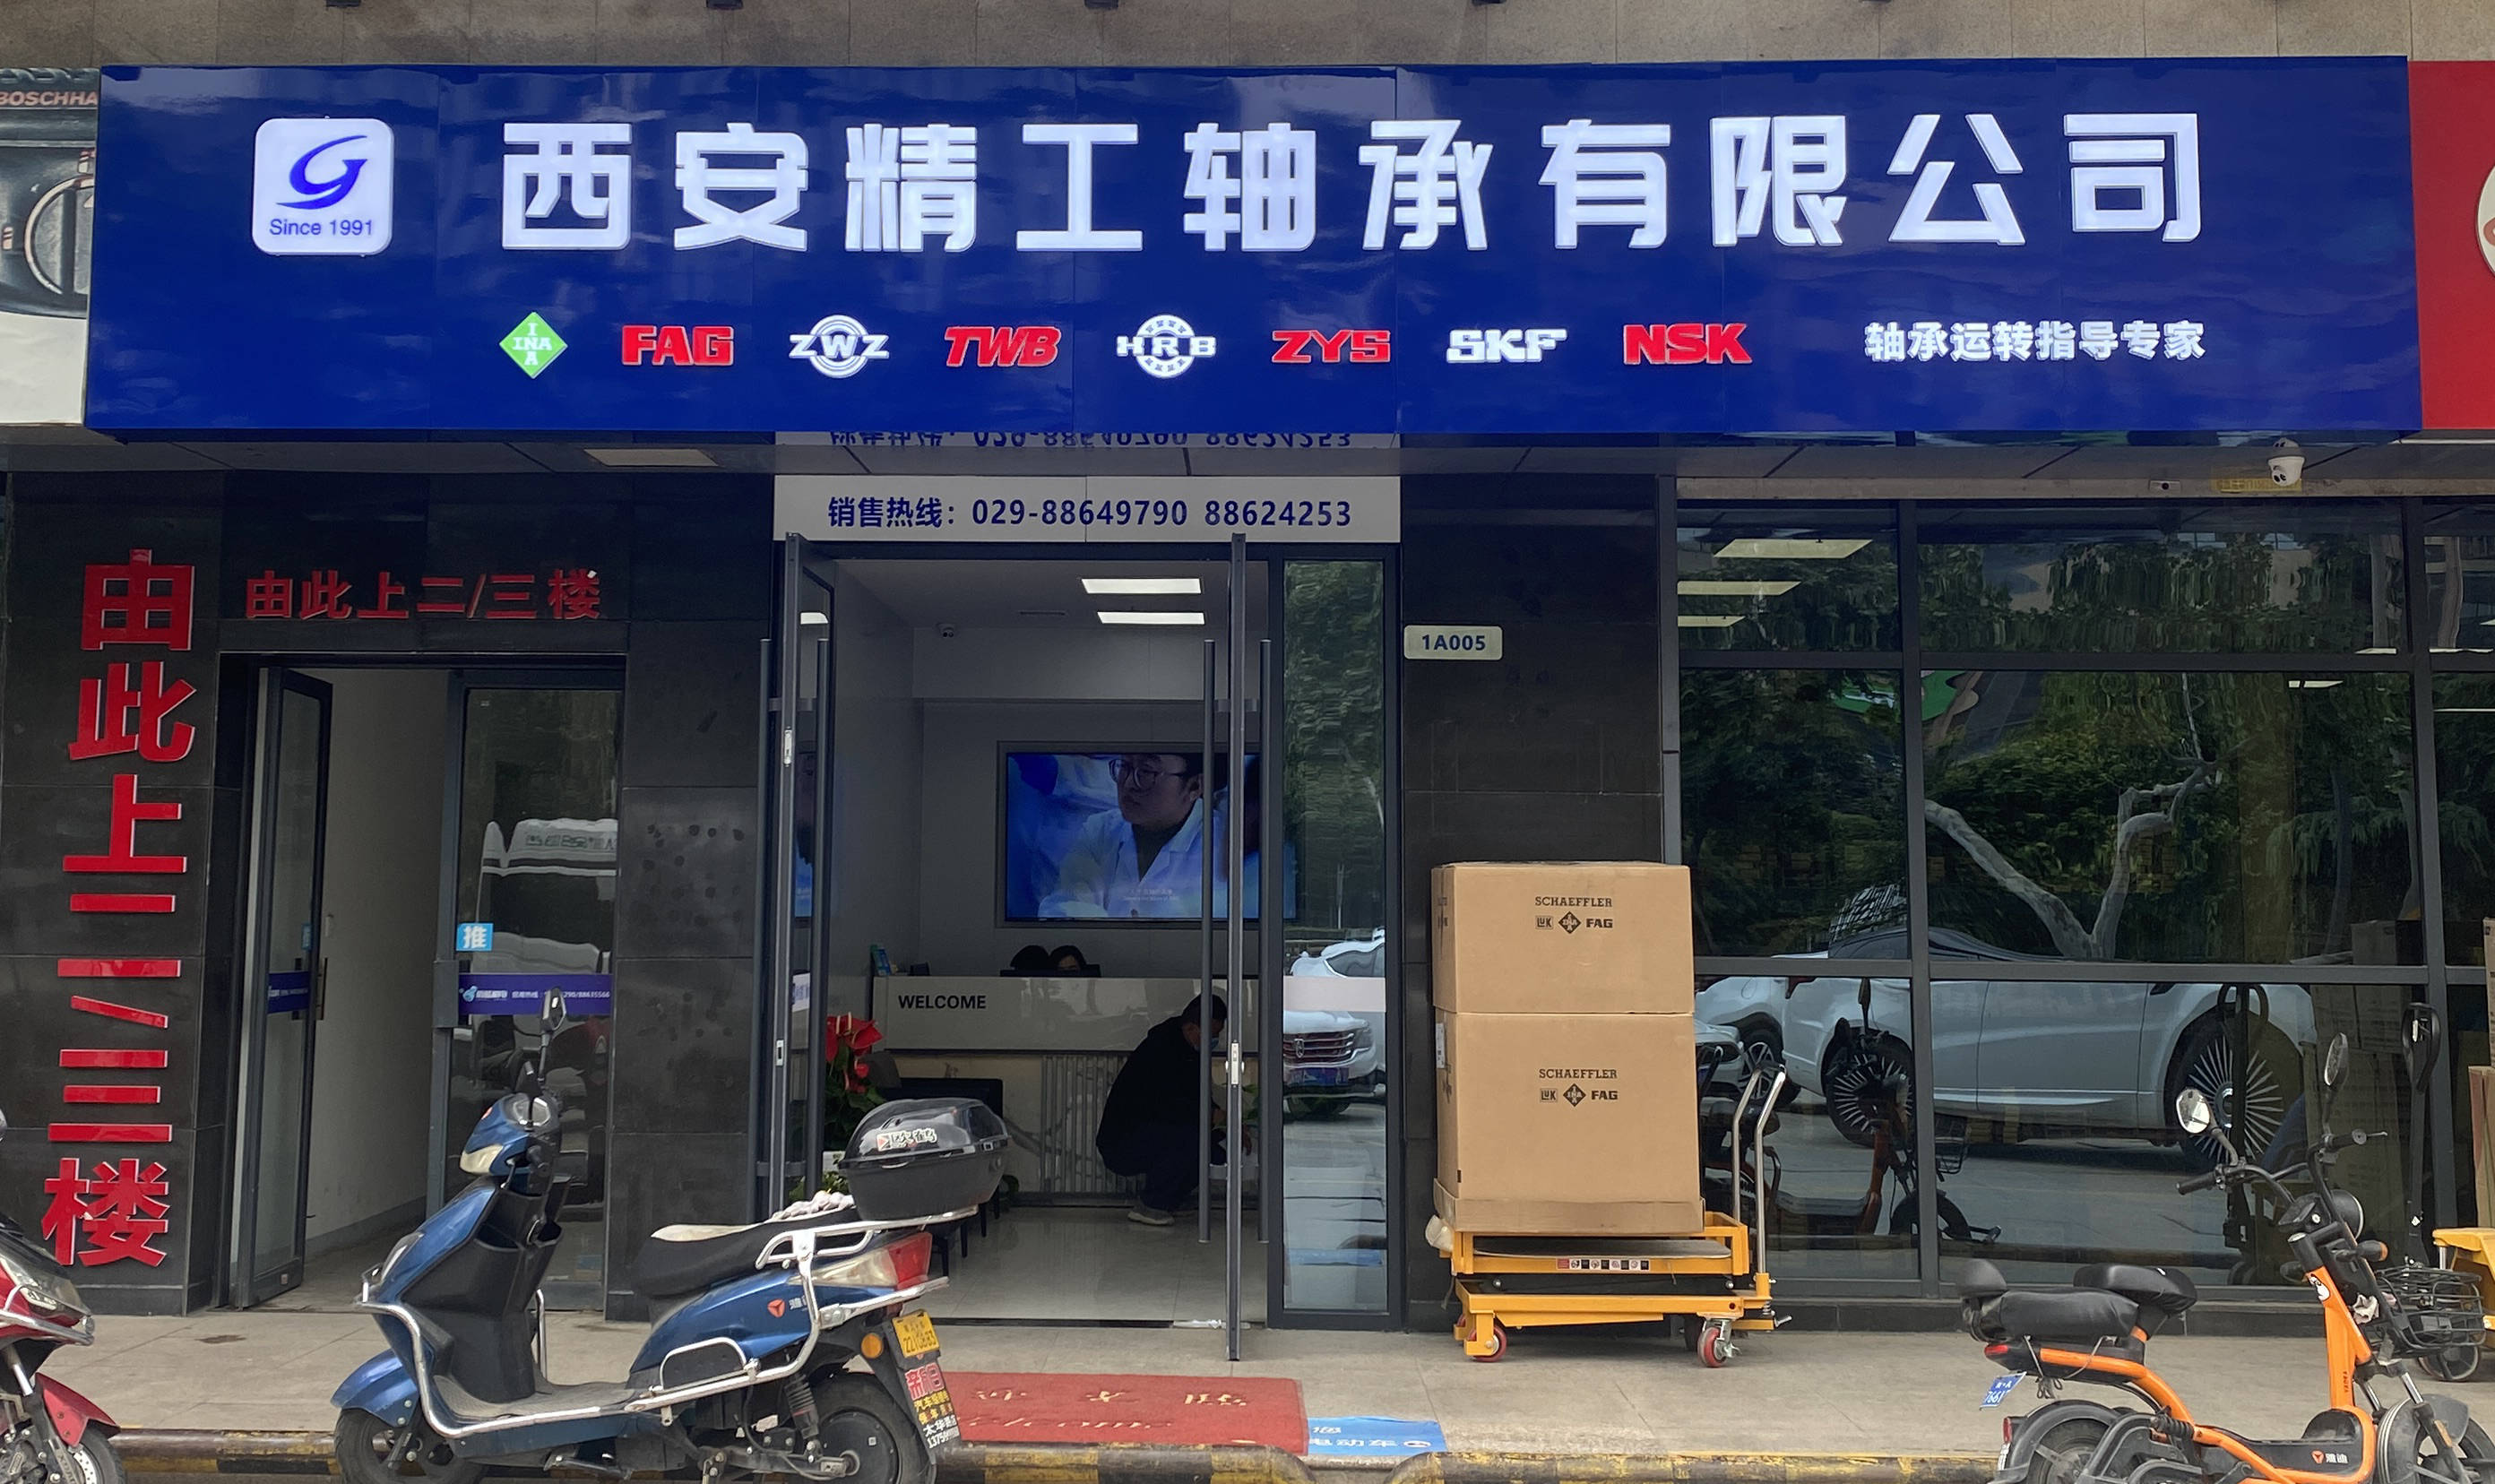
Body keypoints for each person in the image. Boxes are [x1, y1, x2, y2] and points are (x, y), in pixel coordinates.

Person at [1096, 994, 1225, 1226]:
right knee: (1192, 1141)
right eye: (1211, 1034)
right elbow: (1169, 1105)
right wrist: (1209, 1115)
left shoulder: (1188, 1052)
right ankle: (1152, 1204)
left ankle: (1170, 1198)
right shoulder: (1161, 1051)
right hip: (1125, 1140)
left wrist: (1219, 1119)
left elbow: (1195, 1097)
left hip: (1153, 1131)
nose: (1214, 1041)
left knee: (1213, 1149)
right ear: (1191, 1027)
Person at [1039, 753, 1208, 919]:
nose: (1128, 783)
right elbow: (1063, 906)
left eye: (1146, 772)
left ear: (1194, 786)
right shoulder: (1101, 828)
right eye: (1125, 766)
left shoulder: (1218, 843)